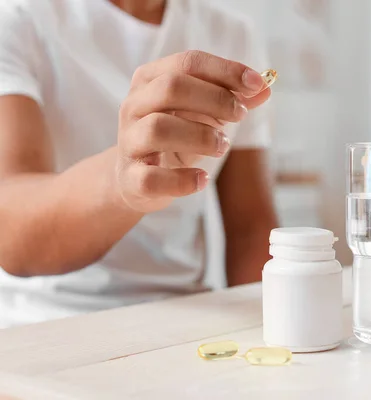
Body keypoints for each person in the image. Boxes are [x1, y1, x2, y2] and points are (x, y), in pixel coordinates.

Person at [0, 0, 278, 328]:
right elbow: (10, 229)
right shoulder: (19, 20)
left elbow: (249, 229)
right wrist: (124, 183)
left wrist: (273, 326)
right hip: (47, 319)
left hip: (185, 316)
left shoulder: (232, 34)